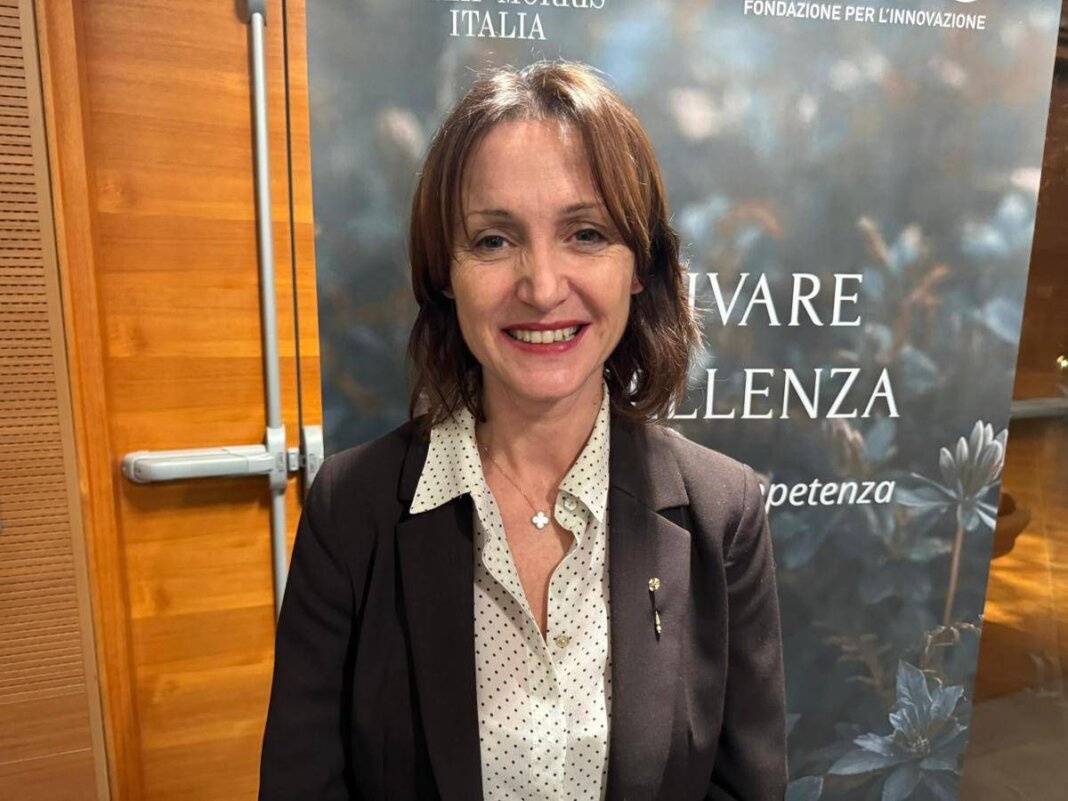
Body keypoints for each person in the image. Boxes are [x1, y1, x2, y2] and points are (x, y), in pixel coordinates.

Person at [260, 61, 786, 801]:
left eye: (585, 233)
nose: (541, 287)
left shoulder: (723, 513)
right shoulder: (352, 510)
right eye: (493, 241)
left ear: (640, 266)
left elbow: (746, 787)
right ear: (445, 273)